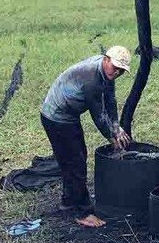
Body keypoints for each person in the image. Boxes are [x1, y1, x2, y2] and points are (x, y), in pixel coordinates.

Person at [40, 46, 132, 228]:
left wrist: (116, 126)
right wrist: (112, 138)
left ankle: (68, 202)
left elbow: (110, 100)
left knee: (75, 158)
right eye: (115, 67)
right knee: (75, 162)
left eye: (122, 70)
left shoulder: (105, 73)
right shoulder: (92, 80)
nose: (117, 72)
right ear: (106, 59)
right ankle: (81, 212)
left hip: (68, 115)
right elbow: (98, 115)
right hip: (56, 117)